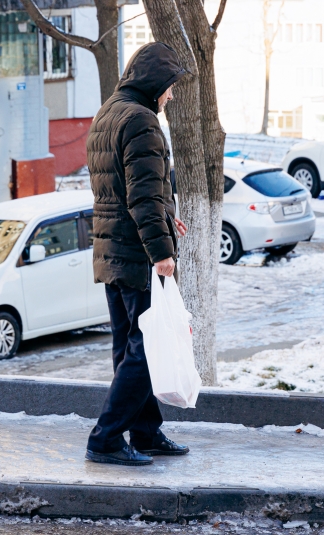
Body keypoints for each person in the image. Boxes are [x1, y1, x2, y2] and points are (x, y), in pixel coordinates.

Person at [84, 42, 190, 466]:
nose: (171, 95)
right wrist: (162, 250)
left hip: (112, 248)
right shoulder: (142, 120)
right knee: (148, 346)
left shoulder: (108, 113)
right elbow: (142, 196)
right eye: (169, 86)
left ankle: (144, 431)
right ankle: (105, 438)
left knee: (128, 344)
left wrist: (168, 215)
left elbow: (121, 188)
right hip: (137, 253)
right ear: (154, 83)